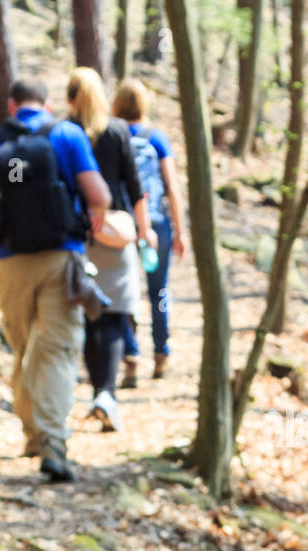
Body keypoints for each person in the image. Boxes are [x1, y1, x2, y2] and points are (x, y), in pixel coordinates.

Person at [0, 78, 110, 483]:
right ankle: (54, 444)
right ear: (46, 104)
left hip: (11, 261)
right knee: (58, 350)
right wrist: (91, 216)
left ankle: (31, 435)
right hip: (62, 258)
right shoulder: (67, 134)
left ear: (11, 106)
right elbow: (99, 195)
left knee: (24, 348)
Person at [66, 67, 152, 428]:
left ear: (71, 98)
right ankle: (107, 393)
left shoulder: (65, 131)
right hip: (116, 233)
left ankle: (98, 390)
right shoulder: (118, 131)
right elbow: (135, 186)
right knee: (116, 313)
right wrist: (145, 231)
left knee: (89, 312)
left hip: (80, 233)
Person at [112, 78, 186, 383]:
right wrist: (180, 231)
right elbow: (171, 187)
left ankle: (130, 355)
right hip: (157, 222)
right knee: (161, 290)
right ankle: (161, 351)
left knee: (126, 291)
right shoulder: (157, 138)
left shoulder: (112, 136)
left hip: (123, 225)